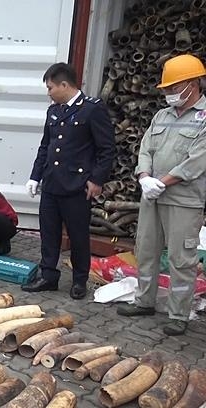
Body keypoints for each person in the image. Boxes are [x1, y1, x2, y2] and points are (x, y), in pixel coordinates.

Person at [117, 54, 206, 336]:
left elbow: (197, 160)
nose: (167, 93)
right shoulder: (161, 116)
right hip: (152, 196)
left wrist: (163, 182)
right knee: (146, 250)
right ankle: (144, 300)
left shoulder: (204, 119)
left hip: (184, 200)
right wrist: (144, 178)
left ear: (191, 85)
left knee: (182, 259)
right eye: (166, 89)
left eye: (171, 87)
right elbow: (145, 149)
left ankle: (178, 314)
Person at [22, 62, 115, 300]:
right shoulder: (54, 111)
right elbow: (46, 146)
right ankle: (49, 276)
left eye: (51, 87)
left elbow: (106, 149)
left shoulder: (92, 109)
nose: (48, 92)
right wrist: (35, 176)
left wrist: (97, 179)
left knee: (78, 235)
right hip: (52, 184)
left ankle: (79, 280)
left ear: (65, 84)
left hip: (77, 185)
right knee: (49, 233)